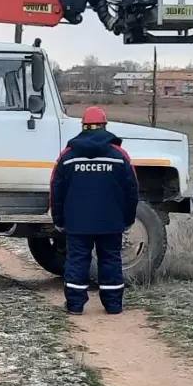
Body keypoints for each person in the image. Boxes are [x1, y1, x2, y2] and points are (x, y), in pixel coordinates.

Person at [50, 106, 139, 315]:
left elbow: (56, 189)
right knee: (110, 259)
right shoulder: (119, 155)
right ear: (105, 126)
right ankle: (113, 305)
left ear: (83, 126)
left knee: (77, 260)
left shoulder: (68, 156)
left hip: (77, 222)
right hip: (111, 221)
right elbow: (132, 189)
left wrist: (59, 219)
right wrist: (128, 217)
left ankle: (75, 305)